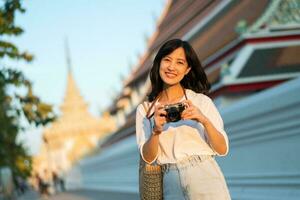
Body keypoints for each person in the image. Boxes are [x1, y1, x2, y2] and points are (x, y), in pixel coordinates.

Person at [136, 39, 231, 199]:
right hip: (170, 180)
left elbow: (222, 149)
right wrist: (156, 131)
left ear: (187, 70)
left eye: (180, 62)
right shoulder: (146, 110)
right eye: (167, 60)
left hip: (204, 174)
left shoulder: (200, 101)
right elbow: (149, 157)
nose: (172, 67)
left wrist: (203, 120)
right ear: (159, 63)